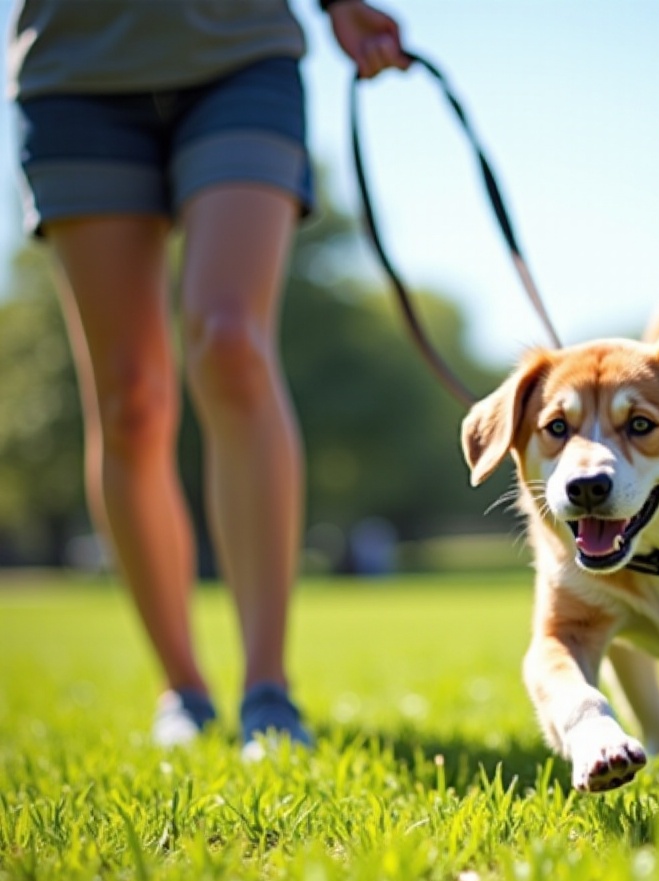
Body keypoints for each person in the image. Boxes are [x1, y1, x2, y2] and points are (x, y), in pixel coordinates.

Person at [8, 0, 410, 752]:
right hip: (73, 73)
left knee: (230, 342)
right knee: (130, 398)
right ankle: (184, 691)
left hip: (238, 53)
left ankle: (268, 690)